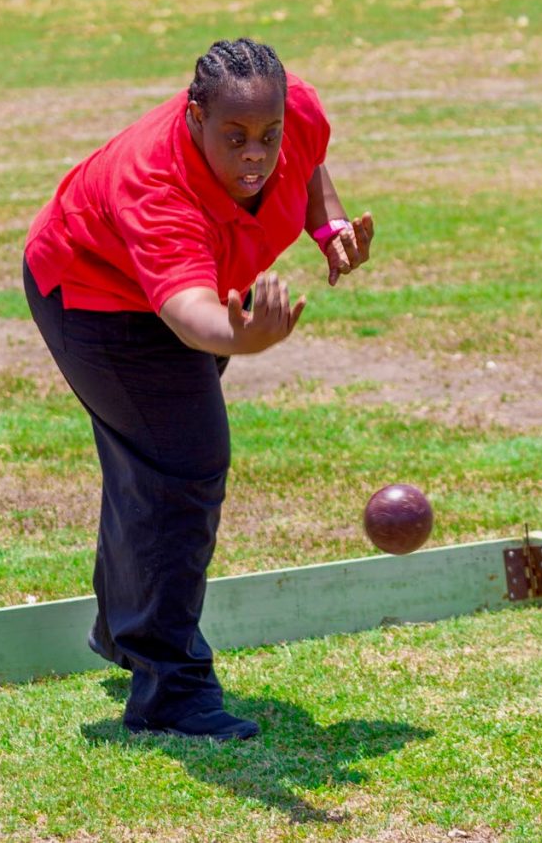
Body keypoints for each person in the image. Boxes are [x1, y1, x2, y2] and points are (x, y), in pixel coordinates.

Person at [23, 38, 373, 740]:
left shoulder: (289, 108)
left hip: (200, 307)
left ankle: (127, 632)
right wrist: (240, 337)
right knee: (182, 464)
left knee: (153, 465)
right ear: (193, 119)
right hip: (97, 297)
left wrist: (327, 223)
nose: (256, 155)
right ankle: (170, 692)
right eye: (235, 138)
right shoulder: (156, 184)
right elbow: (187, 316)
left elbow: (308, 161)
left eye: (267, 136)